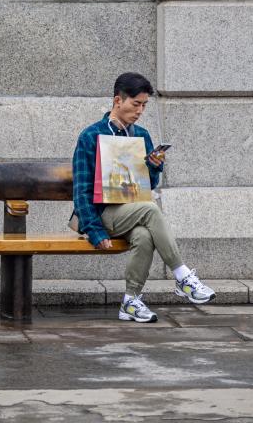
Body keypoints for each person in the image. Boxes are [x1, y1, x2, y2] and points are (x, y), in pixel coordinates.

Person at [71, 72, 215, 323]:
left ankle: (130, 301)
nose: (140, 111)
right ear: (118, 100)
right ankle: (183, 278)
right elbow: (81, 190)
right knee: (150, 209)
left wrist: (154, 166)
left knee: (144, 236)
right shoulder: (90, 136)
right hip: (103, 214)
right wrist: (95, 231)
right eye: (135, 104)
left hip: (131, 210)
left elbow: (147, 186)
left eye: (144, 105)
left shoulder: (141, 135)